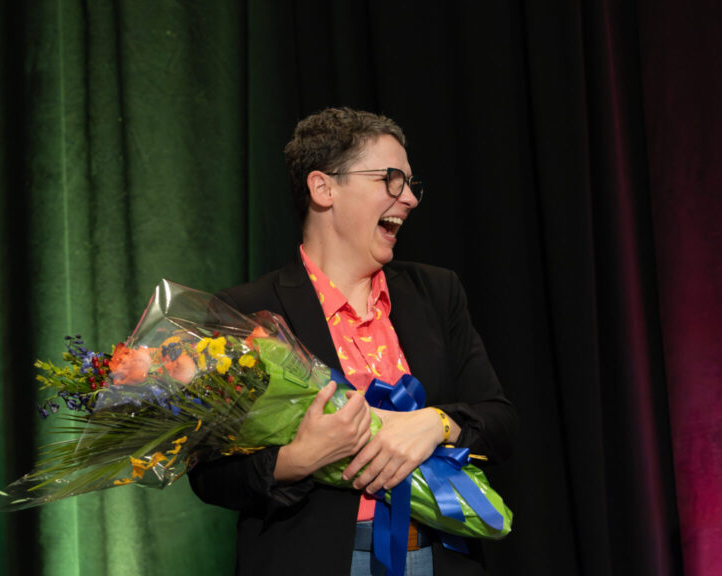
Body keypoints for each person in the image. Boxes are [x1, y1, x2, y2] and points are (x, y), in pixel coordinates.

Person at [189, 107, 517, 576]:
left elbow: (500, 421)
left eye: (410, 183)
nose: (409, 199)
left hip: (439, 556)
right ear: (324, 189)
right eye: (390, 179)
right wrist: (301, 457)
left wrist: (435, 424)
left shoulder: (436, 292)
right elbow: (210, 477)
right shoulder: (249, 312)